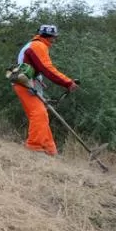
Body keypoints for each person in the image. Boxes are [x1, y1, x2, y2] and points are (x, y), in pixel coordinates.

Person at [12, 24, 79, 156]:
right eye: (54, 37)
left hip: (27, 82)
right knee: (39, 113)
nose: (54, 40)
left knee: (41, 114)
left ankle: (49, 149)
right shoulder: (38, 46)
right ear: (52, 37)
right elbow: (47, 69)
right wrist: (67, 82)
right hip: (25, 83)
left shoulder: (33, 44)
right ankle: (34, 147)